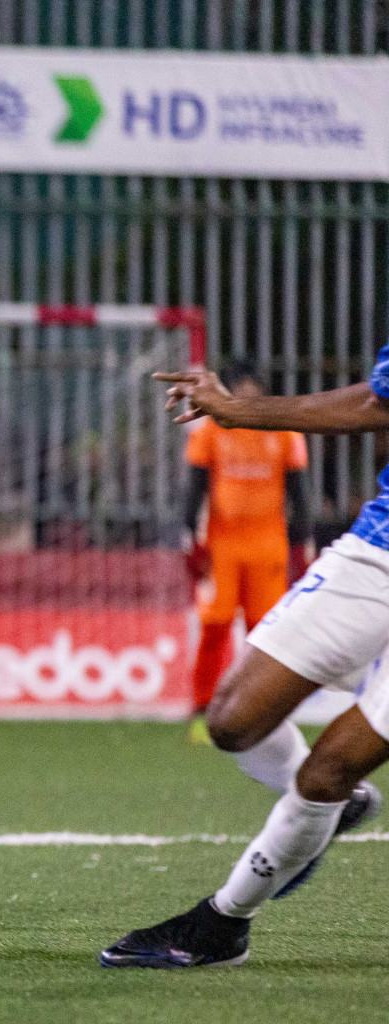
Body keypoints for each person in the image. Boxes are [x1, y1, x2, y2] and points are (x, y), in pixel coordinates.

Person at [99, 359, 389, 969]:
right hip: (377, 548)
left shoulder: (268, 431)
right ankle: (339, 806)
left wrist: (241, 410)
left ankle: (222, 922)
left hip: (271, 543)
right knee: (232, 719)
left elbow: (372, 412)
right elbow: (380, 401)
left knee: (329, 769)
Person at [184, 359, 312, 740]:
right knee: (215, 625)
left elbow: (298, 493)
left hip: (268, 544)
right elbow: (194, 487)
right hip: (221, 544)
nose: (247, 394)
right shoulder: (211, 430)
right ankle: (203, 711)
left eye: (253, 387)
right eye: (241, 387)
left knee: (266, 630)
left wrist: (301, 544)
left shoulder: (284, 432)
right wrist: (188, 535)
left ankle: (263, 713)